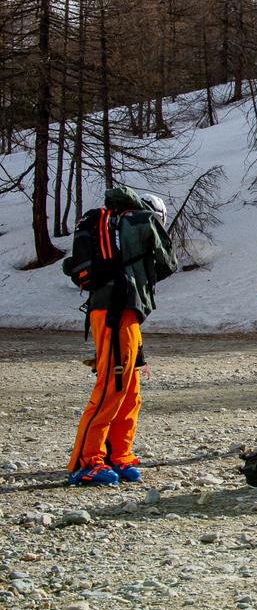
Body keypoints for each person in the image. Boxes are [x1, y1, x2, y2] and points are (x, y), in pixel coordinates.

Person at [62, 187, 178, 486]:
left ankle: (118, 454)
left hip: (123, 312)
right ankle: (86, 461)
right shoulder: (141, 223)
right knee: (111, 388)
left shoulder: (117, 228)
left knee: (130, 389)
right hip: (115, 311)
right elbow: (168, 263)